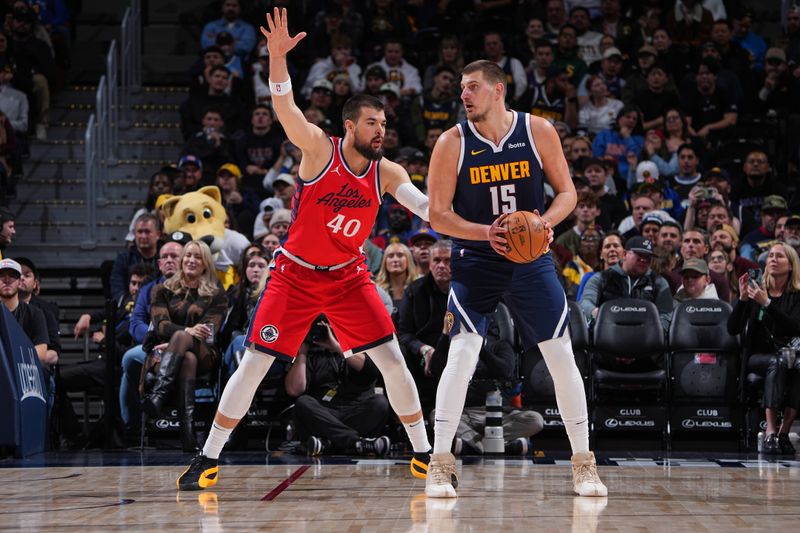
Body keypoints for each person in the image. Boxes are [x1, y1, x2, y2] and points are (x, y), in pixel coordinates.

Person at [178, 8, 432, 491]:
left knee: (392, 359)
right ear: (350, 125)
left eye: (385, 123)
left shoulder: (388, 172)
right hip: (294, 274)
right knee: (254, 363)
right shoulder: (319, 149)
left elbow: (424, 209)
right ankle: (207, 458)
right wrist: (277, 61)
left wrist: (467, 221)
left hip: (347, 277)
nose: (382, 131)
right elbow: (286, 109)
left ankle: (422, 450)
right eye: (373, 123)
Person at [425, 59, 606, 498]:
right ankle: (439, 462)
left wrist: (544, 224)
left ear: (498, 90)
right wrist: (488, 232)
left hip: (530, 256)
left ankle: (584, 463)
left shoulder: (538, 130)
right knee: (462, 355)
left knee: (562, 356)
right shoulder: (452, 142)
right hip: (476, 257)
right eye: (462, 89)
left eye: (472, 88)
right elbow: (438, 215)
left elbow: (567, 193)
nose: (464, 96)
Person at [141, 240, 228, 451]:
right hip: (166, 353)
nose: (191, 260)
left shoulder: (216, 294)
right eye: (188, 255)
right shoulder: (162, 290)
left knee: (182, 338)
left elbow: (207, 331)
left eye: (197, 256)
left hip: (205, 353)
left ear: (205, 263)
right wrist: (183, 334)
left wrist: (181, 335)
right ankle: (188, 436)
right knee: (187, 359)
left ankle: (159, 395)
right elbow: (160, 325)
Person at [727, 243, 800, 455]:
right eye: (771, 256)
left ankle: (784, 433)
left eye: (780, 256)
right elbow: (733, 328)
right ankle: (770, 431)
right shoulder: (756, 290)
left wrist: (767, 304)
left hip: (791, 354)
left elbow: (795, 327)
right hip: (758, 357)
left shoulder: (796, 296)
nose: (774, 259)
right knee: (776, 362)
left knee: (797, 366)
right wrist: (742, 299)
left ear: (791, 265)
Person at [286, 316, 391, 456]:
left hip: (354, 409)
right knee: (302, 403)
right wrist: (302, 353)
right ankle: (357, 443)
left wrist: (336, 346)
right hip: (323, 412)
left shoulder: (357, 344)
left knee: (379, 403)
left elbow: (371, 370)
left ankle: (327, 444)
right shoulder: (312, 354)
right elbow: (294, 390)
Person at [580, 236, 674, 331]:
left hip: (646, 338)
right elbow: (585, 303)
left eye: (648, 256)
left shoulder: (659, 282)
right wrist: (598, 314)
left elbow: (666, 315)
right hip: (608, 335)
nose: (644, 259)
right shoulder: (601, 278)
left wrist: (654, 332)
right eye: (639, 254)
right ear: (624, 254)